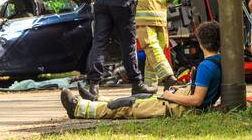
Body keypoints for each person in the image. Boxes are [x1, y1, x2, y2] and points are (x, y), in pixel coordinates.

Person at [62, 21, 221, 119]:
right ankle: (96, 100)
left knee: (126, 106)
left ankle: (79, 108)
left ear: (200, 42)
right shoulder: (218, 62)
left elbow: (196, 101)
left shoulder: (207, 67)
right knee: (140, 96)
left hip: (177, 107)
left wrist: (169, 95)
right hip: (177, 102)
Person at [135, 0, 178, 89]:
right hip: (160, 17)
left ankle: (165, 77)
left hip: (142, 16)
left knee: (151, 47)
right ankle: (153, 85)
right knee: (156, 48)